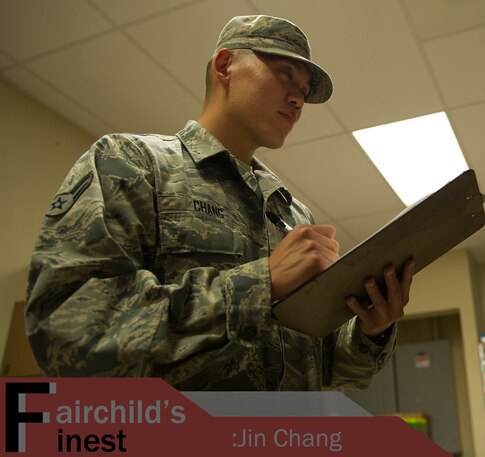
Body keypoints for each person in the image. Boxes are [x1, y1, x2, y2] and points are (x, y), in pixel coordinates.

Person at [25, 15, 415, 391]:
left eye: (304, 90)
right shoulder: (131, 163)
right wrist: (260, 285)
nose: (298, 99)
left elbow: (327, 369)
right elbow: (71, 336)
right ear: (226, 66)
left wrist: (370, 328)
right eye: (285, 75)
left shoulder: (293, 216)